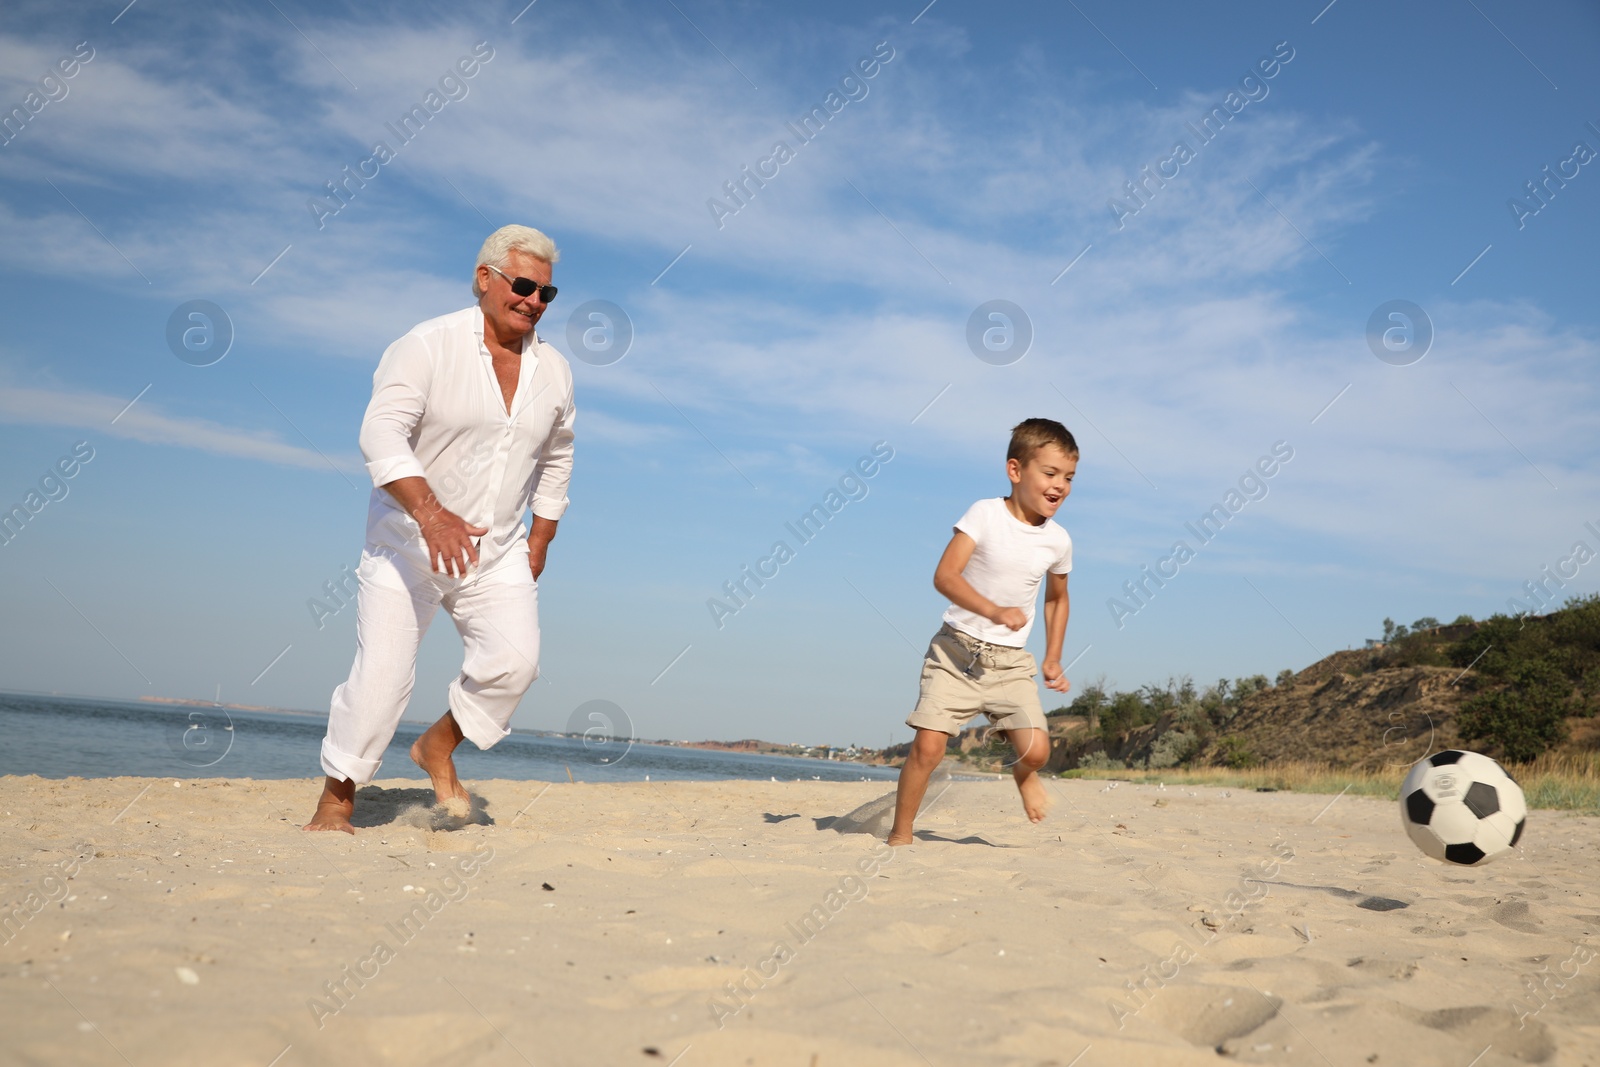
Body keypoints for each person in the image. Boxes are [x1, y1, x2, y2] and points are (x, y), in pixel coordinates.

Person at [305, 225, 575, 833]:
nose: (533, 301)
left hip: (497, 548)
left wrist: (541, 535)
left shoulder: (554, 371)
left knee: (514, 665)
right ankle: (336, 800)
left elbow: (558, 453)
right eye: (524, 285)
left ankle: (437, 746)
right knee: (381, 680)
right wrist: (430, 513)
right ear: (486, 278)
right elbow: (380, 433)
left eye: (546, 294)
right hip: (407, 545)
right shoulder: (425, 346)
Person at [887, 418, 1076, 846]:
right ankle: (901, 834)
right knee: (929, 749)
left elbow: (1057, 598)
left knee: (1038, 751)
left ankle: (1022, 775)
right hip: (956, 654)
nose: (1060, 485)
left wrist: (1052, 657)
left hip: (1010, 664)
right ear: (1015, 470)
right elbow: (945, 576)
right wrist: (992, 610)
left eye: (1068, 477)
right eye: (1049, 473)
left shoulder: (1059, 540)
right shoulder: (984, 514)